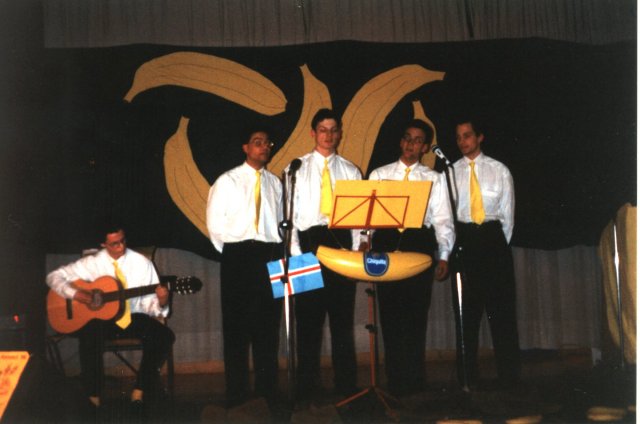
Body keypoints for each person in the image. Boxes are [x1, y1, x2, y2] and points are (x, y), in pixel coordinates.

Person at [367, 119, 455, 397]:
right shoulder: (379, 174)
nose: (410, 144)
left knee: (416, 313)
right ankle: (394, 382)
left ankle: (415, 382)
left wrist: (443, 255)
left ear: (425, 147)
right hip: (386, 242)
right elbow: (366, 218)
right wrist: (362, 243)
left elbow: (443, 220)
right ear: (400, 141)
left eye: (417, 141)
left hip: (418, 242)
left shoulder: (434, 178)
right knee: (390, 314)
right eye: (407, 138)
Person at [46, 224, 175, 409]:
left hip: (131, 317)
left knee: (164, 336)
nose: (121, 246)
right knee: (90, 335)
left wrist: (162, 301)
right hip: (101, 321)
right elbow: (53, 277)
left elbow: (150, 306)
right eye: (114, 244)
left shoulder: (142, 263)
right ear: (103, 244)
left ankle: (140, 390)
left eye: (123, 241)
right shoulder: (92, 263)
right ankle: (93, 396)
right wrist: (76, 294)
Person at [286, 108, 362, 400]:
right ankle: (307, 390)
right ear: (313, 133)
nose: (328, 135)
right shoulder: (296, 168)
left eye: (333, 130)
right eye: (322, 130)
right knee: (308, 323)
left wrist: (357, 252)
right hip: (308, 244)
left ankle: (346, 388)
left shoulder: (351, 171)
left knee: (342, 321)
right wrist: (296, 256)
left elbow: (358, 220)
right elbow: (290, 219)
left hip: (341, 243)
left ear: (339, 133)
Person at [206, 127, 283, 408]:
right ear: (245, 148)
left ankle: (267, 390)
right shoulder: (228, 181)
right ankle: (237, 393)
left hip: (269, 254)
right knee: (237, 328)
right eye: (257, 142)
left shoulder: (276, 183)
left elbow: (281, 224)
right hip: (239, 256)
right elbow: (215, 225)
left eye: (267, 143)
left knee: (268, 327)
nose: (264, 147)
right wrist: (235, 255)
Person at [451, 118, 521, 390]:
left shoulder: (499, 170)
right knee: (466, 315)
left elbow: (508, 216)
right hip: (465, 240)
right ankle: (467, 379)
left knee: (501, 313)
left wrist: (496, 246)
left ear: (480, 137)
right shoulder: (451, 173)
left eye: (467, 135)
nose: (462, 141)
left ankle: (509, 379)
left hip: (492, 241)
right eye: (458, 137)